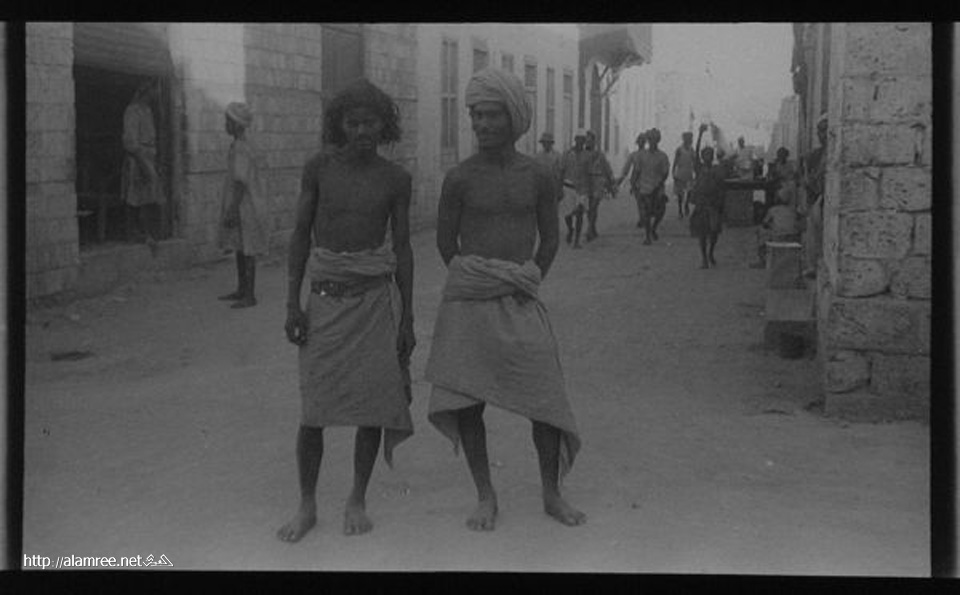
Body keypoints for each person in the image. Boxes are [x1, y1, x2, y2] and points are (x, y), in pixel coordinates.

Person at [425, 67, 584, 531]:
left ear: (514, 118)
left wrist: (528, 279)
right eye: (476, 115)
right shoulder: (459, 178)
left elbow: (550, 239)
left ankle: (552, 494)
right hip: (470, 304)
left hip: (519, 299)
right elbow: (445, 243)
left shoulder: (537, 175)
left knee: (546, 399)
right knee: (467, 402)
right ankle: (485, 496)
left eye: (492, 114)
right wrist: (478, 280)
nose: (483, 124)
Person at [277, 78, 415, 543]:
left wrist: (408, 318)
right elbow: (301, 235)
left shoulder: (395, 179)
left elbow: (402, 249)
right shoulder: (318, 169)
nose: (361, 131)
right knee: (313, 411)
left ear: (383, 125)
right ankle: (307, 503)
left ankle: (357, 497)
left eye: (369, 122)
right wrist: (292, 303)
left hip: (374, 304)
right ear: (339, 125)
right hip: (324, 302)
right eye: (352, 122)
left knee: (371, 408)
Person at [216, 103, 272, 309]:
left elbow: (240, 182)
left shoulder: (241, 147)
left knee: (247, 249)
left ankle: (249, 295)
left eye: (228, 121)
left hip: (245, 205)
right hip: (246, 203)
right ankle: (242, 289)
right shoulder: (242, 145)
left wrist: (232, 209)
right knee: (240, 247)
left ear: (237, 125)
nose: (225, 125)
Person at [121, 81, 161, 246]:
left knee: (149, 196)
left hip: (149, 156)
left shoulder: (148, 110)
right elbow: (131, 141)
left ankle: (147, 232)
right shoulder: (133, 110)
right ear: (147, 91)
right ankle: (133, 233)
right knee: (135, 196)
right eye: (154, 91)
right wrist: (142, 161)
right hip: (138, 157)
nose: (156, 94)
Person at [689, 136, 725, 269]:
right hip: (701, 203)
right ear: (703, 157)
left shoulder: (717, 169)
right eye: (705, 155)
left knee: (714, 232)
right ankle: (704, 258)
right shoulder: (699, 168)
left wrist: (721, 203)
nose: (707, 157)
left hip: (713, 203)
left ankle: (710, 253)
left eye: (710, 154)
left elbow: (721, 186)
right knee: (702, 233)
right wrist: (699, 134)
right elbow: (696, 153)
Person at [632, 128, 670, 245]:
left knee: (660, 211)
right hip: (644, 187)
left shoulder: (662, 156)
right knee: (646, 213)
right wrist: (633, 184)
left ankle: (654, 228)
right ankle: (648, 235)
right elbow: (637, 171)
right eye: (651, 139)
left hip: (657, 188)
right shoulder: (642, 155)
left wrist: (660, 183)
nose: (653, 141)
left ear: (658, 140)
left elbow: (665, 172)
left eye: (655, 139)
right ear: (648, 140)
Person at [801, 114, 828, 278]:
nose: (821, 135)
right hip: (818, 199)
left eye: (825, 130)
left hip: (825, 199)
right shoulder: (815, 155)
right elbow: (809, 181)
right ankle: (814, 265)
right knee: (813, 234)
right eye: (819, 131)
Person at [750, 190, 801, 269]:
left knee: (760, 231)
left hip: (779, 237)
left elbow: (764, 223)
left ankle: (762, 260)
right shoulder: (792, 210)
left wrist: (770, 226)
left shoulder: (773, 210)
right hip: (794, 236)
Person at [583, 130, 616, 242]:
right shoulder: (582, 154)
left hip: (598, 182)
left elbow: (607, 169)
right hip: (586, 182)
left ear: (594, 142)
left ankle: (589, 229)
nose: (588, 143)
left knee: (594, 206)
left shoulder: (600, 155)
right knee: (589, 208)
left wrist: (611, 183)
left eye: (590, 141)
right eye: (586, 141)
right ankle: (592, 227)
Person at [559, 130, 590, 248]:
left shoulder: (587, 155)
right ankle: (570, 229)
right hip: (568, 186)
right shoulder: (567, 154)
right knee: (567, 214)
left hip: (582, 189)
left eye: (583, 140)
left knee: (579, 213)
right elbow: (561, 171)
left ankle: (576, 240)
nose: (580, 142)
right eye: (578, 140)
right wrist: (559, 188)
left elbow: (589, 172)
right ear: (575, 140)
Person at [615, 132, 648, 228]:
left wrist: (620, 179)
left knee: (641, 201)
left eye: (642, 141)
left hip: (643, 179)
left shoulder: (639, 155)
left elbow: (626, 169)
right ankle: (643, 218)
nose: (641, 143)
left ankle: (643, 218)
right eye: (640, 141)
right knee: (641, 200)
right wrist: (621, 179)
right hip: (638, 180)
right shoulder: (635, 155)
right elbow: (626, 168)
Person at [672, 131, 697, 219]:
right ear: (684, 139)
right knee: (680, 193)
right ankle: (680, 210)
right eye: (688, 139)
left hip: (689, 173)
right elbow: (675, 162)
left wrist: (695, 172)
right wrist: (673, 172)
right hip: (680, 173)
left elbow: (694, 161)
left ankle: (686, 204)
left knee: (690, 191)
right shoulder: (679, 150)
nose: (690, 140)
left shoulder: (691, 150)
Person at [534, 131, 564, 203]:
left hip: (554, 186)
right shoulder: (538, 156)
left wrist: (560, 189)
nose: (546, 144)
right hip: (541, 186)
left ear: (551, 143)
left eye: (548, 142)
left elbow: (561, 173)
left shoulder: (557, 156)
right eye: (544, 142)